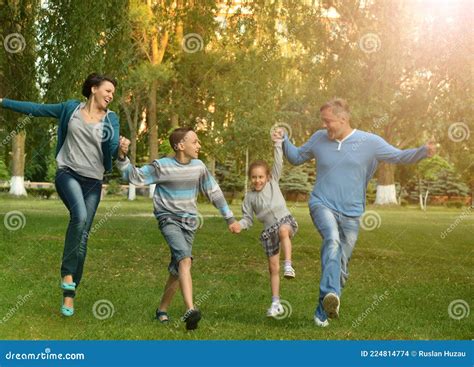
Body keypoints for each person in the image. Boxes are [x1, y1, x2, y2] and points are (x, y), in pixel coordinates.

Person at [274, 98, 436, 327]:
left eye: (328, 121)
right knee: (331, 241)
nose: (325, 125)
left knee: (341, 266)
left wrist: (422, 151)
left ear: (343, 119)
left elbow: (398, 156)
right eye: (323, 121)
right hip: (322, 203)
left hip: (352, 212)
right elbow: (297, 157)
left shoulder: (369, 142)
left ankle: (323, 310)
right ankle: (329, 295)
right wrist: (284, 139)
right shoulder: (319, 138)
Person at [0, 73, 120, 317]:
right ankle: (66, 273)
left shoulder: (111, 118)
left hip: (93, 181)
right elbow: (37, 109)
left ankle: (69, 294)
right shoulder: (69, 109)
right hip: (68, 173)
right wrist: (3, 101)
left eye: (113, 94)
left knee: (83, 236)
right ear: (94, 89)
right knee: (79, 216)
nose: (110, 96)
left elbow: (114, 147)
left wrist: (121, 147)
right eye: (107, 90)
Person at [117, 127, 239, 330]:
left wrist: (230, 219)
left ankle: (162, 310)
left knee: (177, 270)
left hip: (189, 223)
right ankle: (190, 310)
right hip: (168, 219)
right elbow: (135, 177)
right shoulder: (162, 166)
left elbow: (214, 192)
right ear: (180, 146)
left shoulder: (199, 167)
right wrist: (122, 155)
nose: (199, 145)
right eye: (195, 141)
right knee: (184, 259)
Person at [231, 135, 297, 318]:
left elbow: (278, 162)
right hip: (268, 232)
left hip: (285, 221)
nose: (257, 180)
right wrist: (239, 225)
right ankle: (276, 304)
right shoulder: (249, 198)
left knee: (284, 230)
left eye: (260, 177)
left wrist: (278, 143)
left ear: (267, 176)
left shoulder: (273, 182)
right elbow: (248, 219)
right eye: (254, 177)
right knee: (272, 268)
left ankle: (289, 266)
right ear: (250, 178)